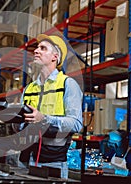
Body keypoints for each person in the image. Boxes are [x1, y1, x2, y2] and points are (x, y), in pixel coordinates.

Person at [15, 34, 83, 179]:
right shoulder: (29, 88)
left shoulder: (67, 85)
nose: (36, 51)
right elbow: (20, 125)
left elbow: (76, 124)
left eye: (43, 48)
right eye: (37, 48)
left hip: (53, 163)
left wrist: (44, 119)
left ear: (55, 57)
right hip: (25, 160)